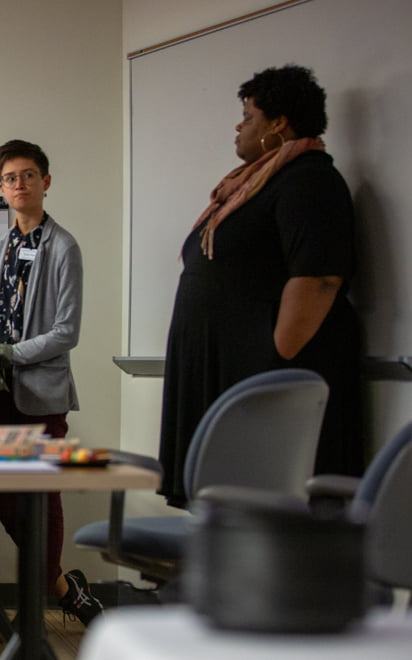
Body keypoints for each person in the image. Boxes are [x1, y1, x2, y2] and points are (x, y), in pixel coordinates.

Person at [158, 65, 363, 508]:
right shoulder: (255, 183)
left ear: (278, 123)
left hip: (264, 379)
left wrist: (274, 367)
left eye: (248, 116)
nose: (239, 125)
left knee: (269, 513)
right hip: (231, 373)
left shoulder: (309, 179)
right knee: (226, 513)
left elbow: (320, 277)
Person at [0, 140, 101, 625]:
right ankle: (61, 585)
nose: (19, 185)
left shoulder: (64, 247)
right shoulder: (1, 245)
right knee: (5, 498)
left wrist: (8, 353)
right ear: (0, 188)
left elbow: (67, 332)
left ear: (45, 182)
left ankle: (48, 588)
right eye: (10, 178)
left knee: (40, 497)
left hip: (41, 395)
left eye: (28, 176)